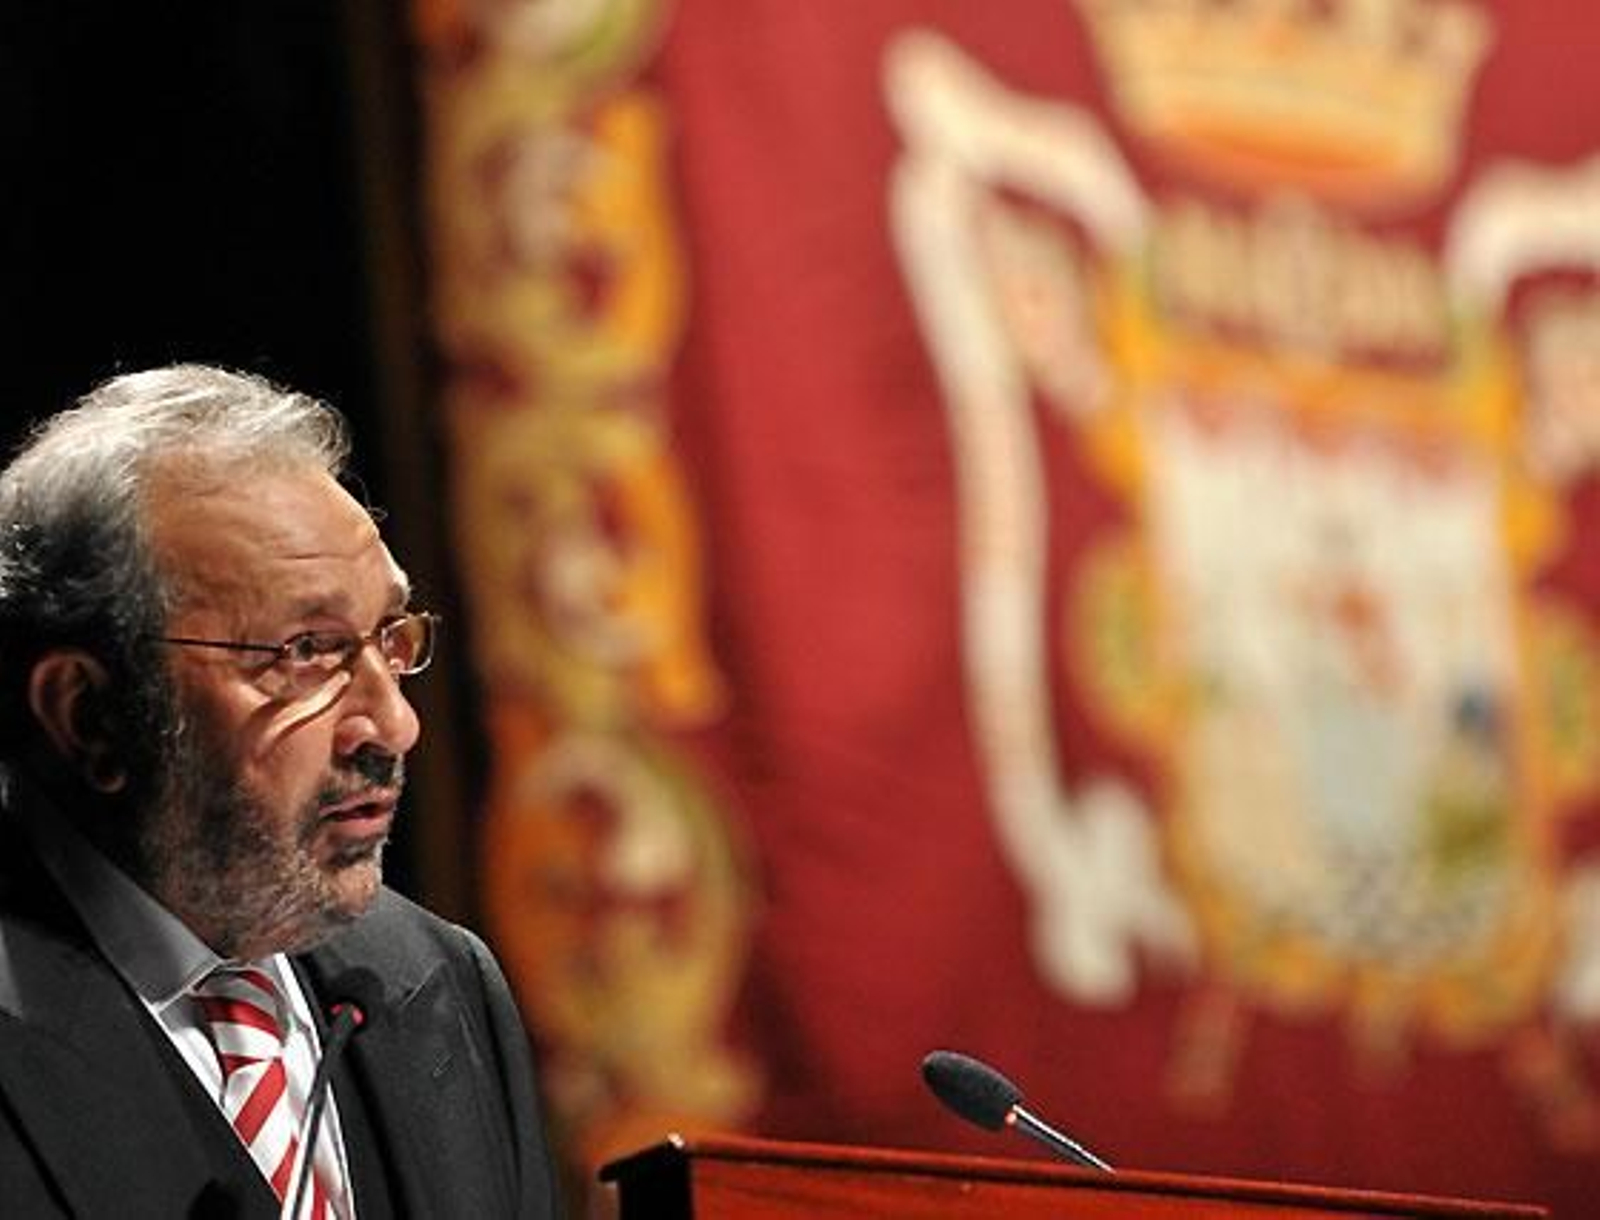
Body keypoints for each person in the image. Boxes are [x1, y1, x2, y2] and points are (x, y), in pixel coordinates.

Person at [0, 365, 561, 1218]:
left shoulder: (440, 982)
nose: (392, 726)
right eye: (304, 653)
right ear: (87, 712)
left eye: (388, 640)